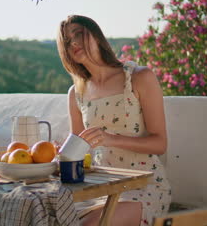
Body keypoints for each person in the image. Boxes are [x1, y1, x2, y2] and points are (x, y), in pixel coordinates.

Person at [56, 15, 171, 226]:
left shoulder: (139, 77)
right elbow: (79, 152)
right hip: (99, 188)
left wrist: (110, 139)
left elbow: (160, 143)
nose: (73, 43)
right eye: (67, 41)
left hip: (143, 186)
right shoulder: (76, 93)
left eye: (78, 34)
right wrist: (62, 154)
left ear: (96, 36)